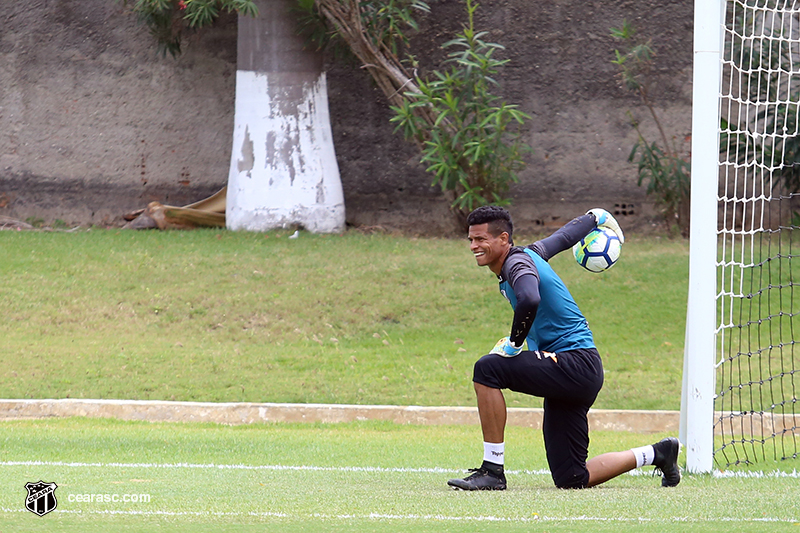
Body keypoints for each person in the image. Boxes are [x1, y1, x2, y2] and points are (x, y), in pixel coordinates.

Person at [447, 205, 680, 491]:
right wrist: (596, 219)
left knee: (487, 369)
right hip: (577, 373)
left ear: (503, 239)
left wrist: (513, 345)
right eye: (471, 239)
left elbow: (529, 299)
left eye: (481, 239)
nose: (474, 246)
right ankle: (658, 453)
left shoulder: (516, 264)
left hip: (574, 364)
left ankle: (492, 470)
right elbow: (564, 237)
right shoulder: (530, 253)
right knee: (572, 478)